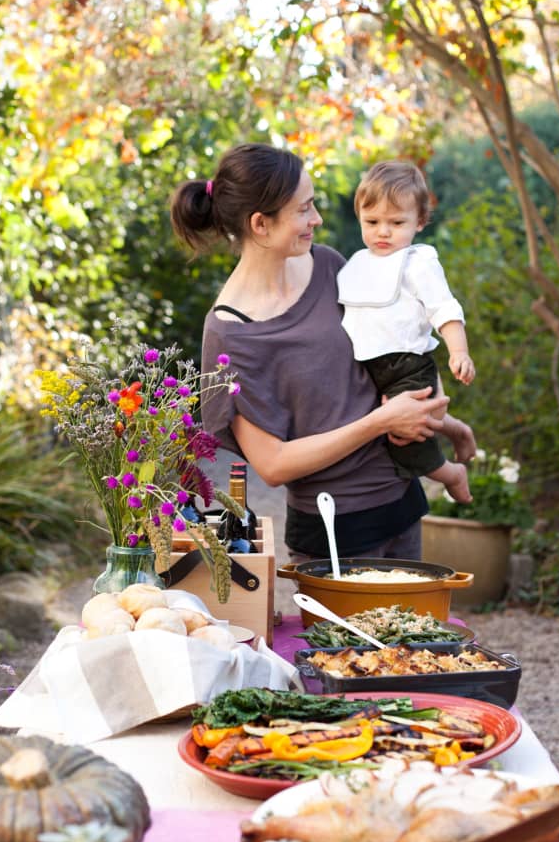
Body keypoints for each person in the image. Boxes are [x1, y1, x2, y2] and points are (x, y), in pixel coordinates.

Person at [170, 143, 476, 562]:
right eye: (303, 209)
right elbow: (274, 464)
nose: (316, 219)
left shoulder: (331, 267)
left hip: (404, 505)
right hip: (335, 532)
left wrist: (443, 422)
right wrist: (380, 422)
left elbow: (390, 362)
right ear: (261, 224)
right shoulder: (232, 334)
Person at [337, 160, 475, 504]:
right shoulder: (356, 264)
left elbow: (443, 308)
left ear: (420, 222)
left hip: (406, 365)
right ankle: (458, 431)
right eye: (372, 222)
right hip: (367, 369)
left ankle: (450, 474)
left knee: (407, 445)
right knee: (390, 430)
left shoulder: (418, 263)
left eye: (396, 223)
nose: (383, 232)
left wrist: (458, 351)